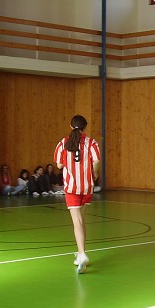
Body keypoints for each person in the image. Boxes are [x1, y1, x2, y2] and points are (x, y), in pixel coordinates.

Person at [54, 115, 100, 274]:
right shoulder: (91, 143)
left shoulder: (63, 142)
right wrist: (94, 174)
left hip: (72, 187)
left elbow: (59, 164)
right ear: (85, 127)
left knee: (77, 222)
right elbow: (96, 161)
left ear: (70, 125)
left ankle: (82, 254)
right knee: (81, 221)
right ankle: (81, 255)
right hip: (87, 187)